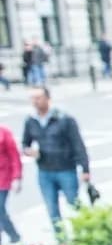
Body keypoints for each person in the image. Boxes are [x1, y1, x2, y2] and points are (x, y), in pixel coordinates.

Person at [20, 87, 90, 235]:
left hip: (66, 168)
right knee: (52, 209)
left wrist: (85, 168)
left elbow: (77, 144)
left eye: (38, 98)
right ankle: (61, 240)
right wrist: (29, 151)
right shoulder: (31, 120)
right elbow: (25, 143)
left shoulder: (64, 119)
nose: (35, 102)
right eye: (32, 98)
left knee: (74, 204)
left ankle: (83, 234)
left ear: (47, 98)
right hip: (45, 170)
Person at [0, 125, 21, 244]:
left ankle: (14, 235)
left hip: (3, 178)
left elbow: (14, 156)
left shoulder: (4, 133)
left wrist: (16, 177)